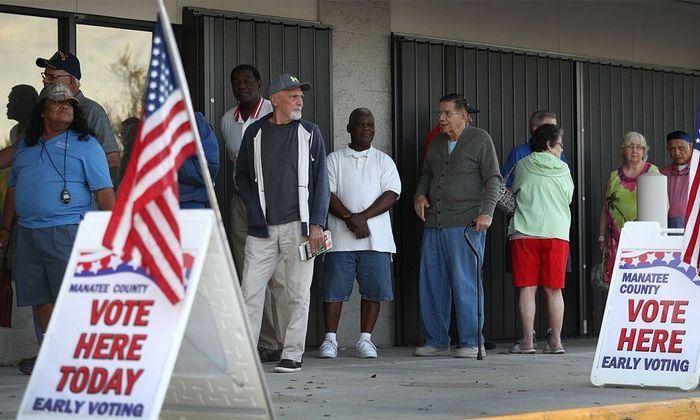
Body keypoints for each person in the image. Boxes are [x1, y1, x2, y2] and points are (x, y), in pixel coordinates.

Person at [0, 84, 115, 373]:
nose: (66, 105)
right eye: (57, 101)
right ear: (42, 111)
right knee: (40, 298)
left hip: (68, 230)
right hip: (26, 233)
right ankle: (53, 357)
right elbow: (13, 190)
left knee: (71, 299)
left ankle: (79, 359)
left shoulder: (86, 144)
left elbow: (104, 192)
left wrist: (114, 234)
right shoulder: (26, 147)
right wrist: (5, 228)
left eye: (70, 103)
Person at [235, 73, 330, 373]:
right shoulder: (254, 133)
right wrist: (253, 208)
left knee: (298, 293)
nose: (299, 100)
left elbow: (322, 183)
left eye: (301, 95)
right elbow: (240, 177)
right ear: (274, 100)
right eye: (292, 95)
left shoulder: (310, 133)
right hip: (261, 230)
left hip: (299, 228)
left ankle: (292, 354)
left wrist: (316, 223)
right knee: (250, 290)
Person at [413, 93, 501, 358]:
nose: (441, 118)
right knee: (432, 283)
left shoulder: (480, 138)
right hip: (434, 223)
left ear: (463, 116)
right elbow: (427, 175)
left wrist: (487, 213)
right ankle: (437, 340)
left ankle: (473, 342)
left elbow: (493, 179)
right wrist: (420, 194)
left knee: (466, 283)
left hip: (466, 224)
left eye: (447, 113)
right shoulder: (438, 142)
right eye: (439, 113)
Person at [318, 108, 401, 359]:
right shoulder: (334, 159)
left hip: (376, 240)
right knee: (333, 291)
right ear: (349, 128)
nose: (366, 128)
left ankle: (366, 340)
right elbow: (326, 193)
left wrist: (361, 218)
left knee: (373, 291)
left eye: (370, 125)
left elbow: (392, 194)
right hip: (340, 240)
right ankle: (329, 340)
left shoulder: (383, 160)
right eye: (360, 124)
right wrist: (349, 219)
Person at [221, 64, 287, 363]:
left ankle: (282, 343)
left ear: (260, 85)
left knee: (277, 277)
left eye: (247, 80)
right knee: (246, 275)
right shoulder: (227, 121)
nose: (242, 85)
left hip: (272, 204)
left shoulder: (273, 115)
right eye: (237, 81)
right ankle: (259, 341)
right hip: (241, 204)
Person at [507, 124, 573, 355]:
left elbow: (514, 191)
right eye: (560, 143)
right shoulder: (563, 169)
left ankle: (527, 341)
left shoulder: (522, 165)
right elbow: (568, 196)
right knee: (554, 290)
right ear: (549, 144)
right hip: (556, 233)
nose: (562, 148)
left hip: (524, 232)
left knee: (527, 289)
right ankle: (555, 341)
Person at [0, 51, 121, 172]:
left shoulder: (92, 111)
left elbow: (112, 159)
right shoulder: (43, 109)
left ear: (72, 80)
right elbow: (17, 150)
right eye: (45, 75)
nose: (45, 81)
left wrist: (68, 174)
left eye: (52, 77)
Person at [598, 132, 659, 283]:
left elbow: (664, 206)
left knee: (642, 282)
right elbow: (605, 209)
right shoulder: (614, 176)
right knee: (617, 283)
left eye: (639, 147)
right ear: (623, 150)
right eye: (630, 146)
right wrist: (601, 237)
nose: (634, 151)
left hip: (645, 240)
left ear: (644, 151)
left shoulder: (652, 172)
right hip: (616, 241)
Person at [178, 112, 219, 209]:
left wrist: (172, 159)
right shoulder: (151, 125)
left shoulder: (197, 124)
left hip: (189, 204)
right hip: (154, 203)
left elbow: (207, 172)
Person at [661, 130, 692, 229]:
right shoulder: (664, 173)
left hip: (693, 224)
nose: (677, 153)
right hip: (668, 224)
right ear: (668, 150)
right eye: (672, 149)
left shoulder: (697, 170)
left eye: (681, 148)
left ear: (690, 147)